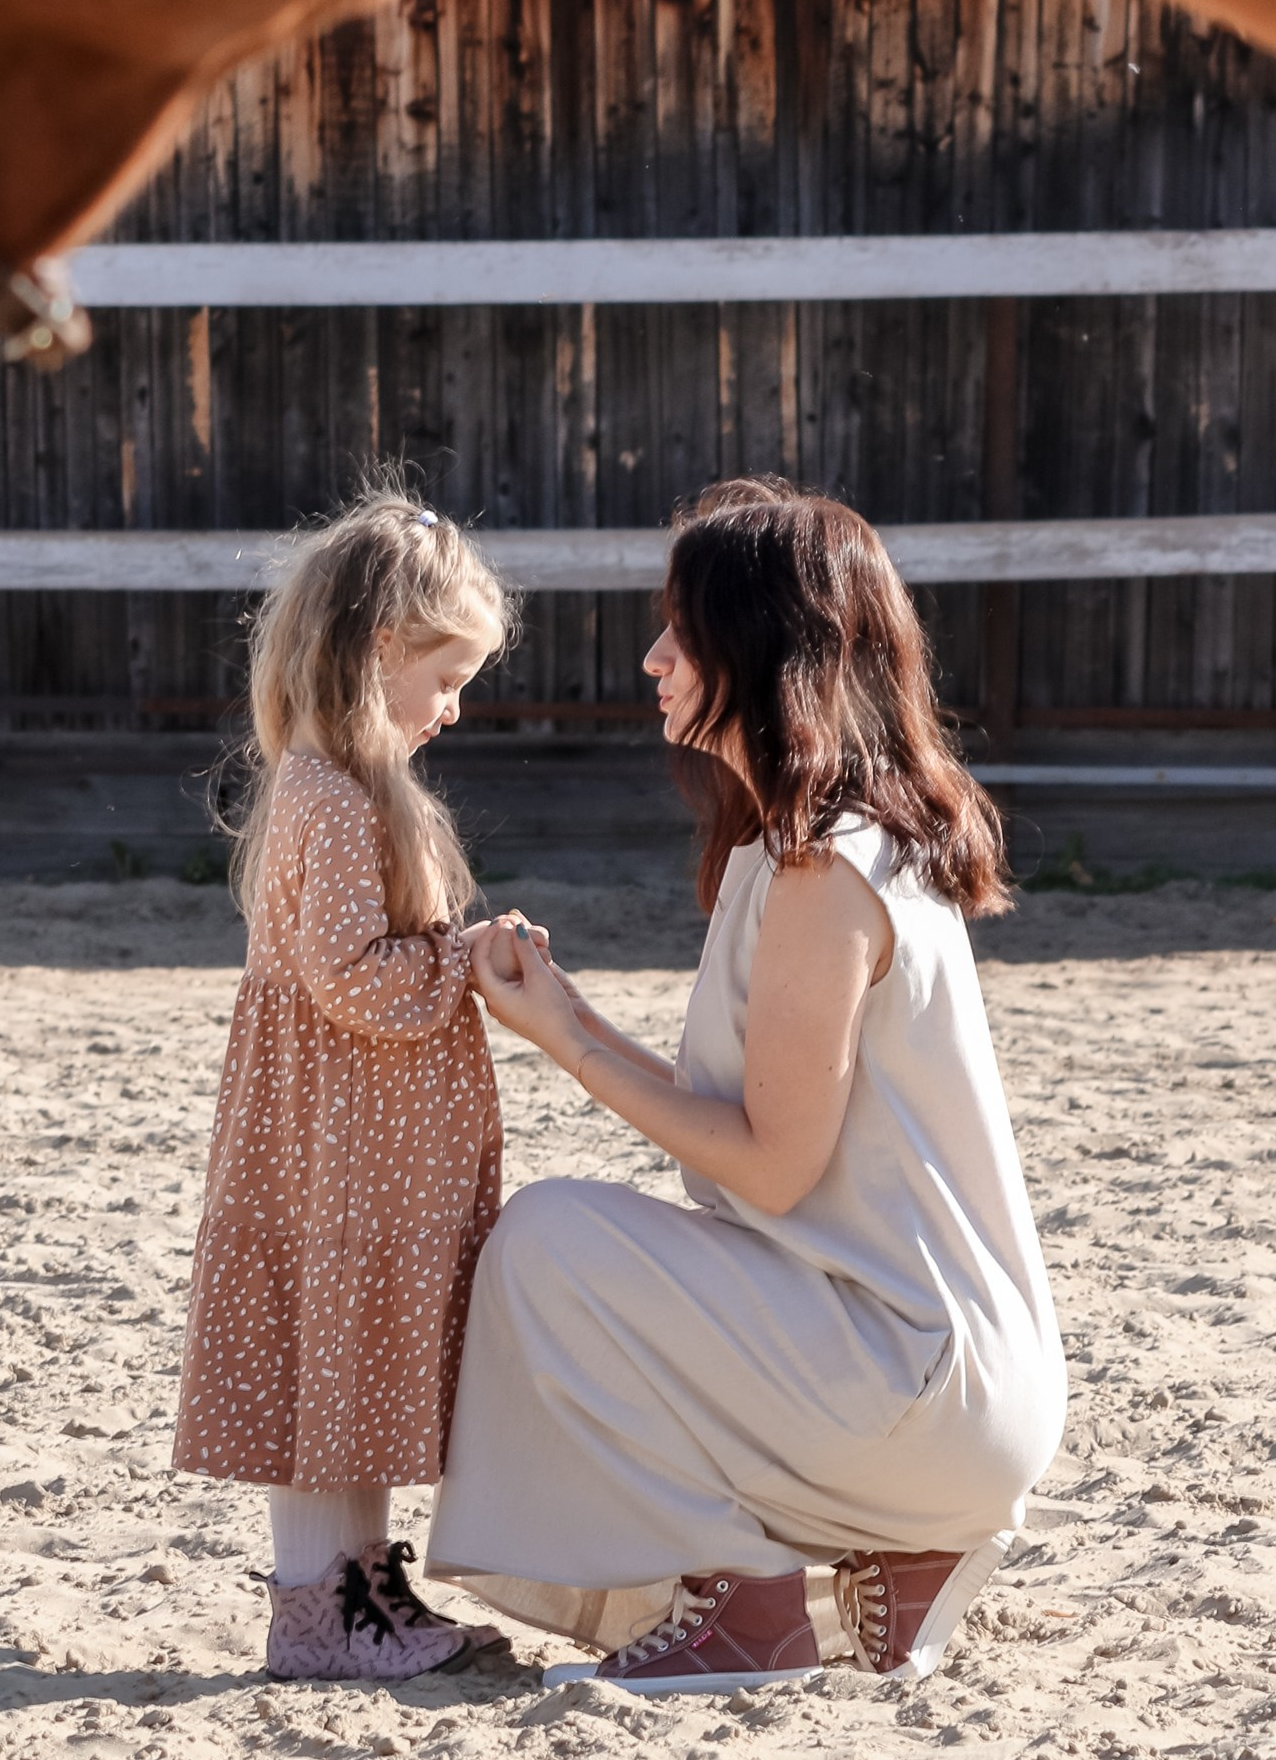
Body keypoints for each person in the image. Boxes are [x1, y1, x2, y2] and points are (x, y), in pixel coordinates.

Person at [430, 477, 1067, 1693]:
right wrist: (566, 1018)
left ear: (766, 652)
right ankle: (901, 1553)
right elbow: (767, 1120)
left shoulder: (824, 870)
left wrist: (562, 1041)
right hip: (945, 1370)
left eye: (686, 628)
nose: (654, 656)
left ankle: (746, 1599)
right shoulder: (815, 846)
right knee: (574, 1241)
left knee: (549, 1243)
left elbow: (770, 1160)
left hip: (920, 1377)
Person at [171, 480, 528, 1683]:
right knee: (329, 1342)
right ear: (381, 648)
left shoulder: (353, 787)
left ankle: (366, 1587)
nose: (455, 707)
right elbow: (345, 974)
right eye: (445, 678)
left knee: (353, 1351)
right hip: (338, 1134)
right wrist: (457, 958)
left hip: (363, 1135)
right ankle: (318, 1606)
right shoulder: (325, 795)